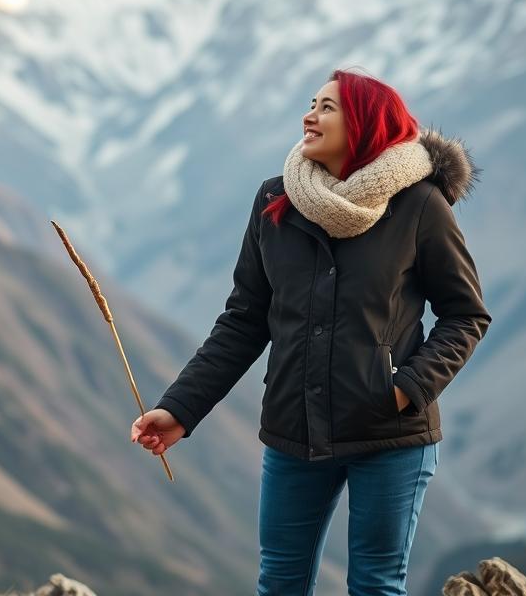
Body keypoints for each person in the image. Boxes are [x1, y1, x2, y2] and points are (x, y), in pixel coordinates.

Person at [130, 68, 491, 596]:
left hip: (390, 435)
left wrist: (405, 389)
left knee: (374, 586)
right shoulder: (275, 200)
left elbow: (466, 314)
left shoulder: (419, 205)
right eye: (311, 103)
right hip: (293, 430)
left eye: (328, 107)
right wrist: (181, 409)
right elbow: (244, 321)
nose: (309, 115)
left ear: (366, 123)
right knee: (280, 584)